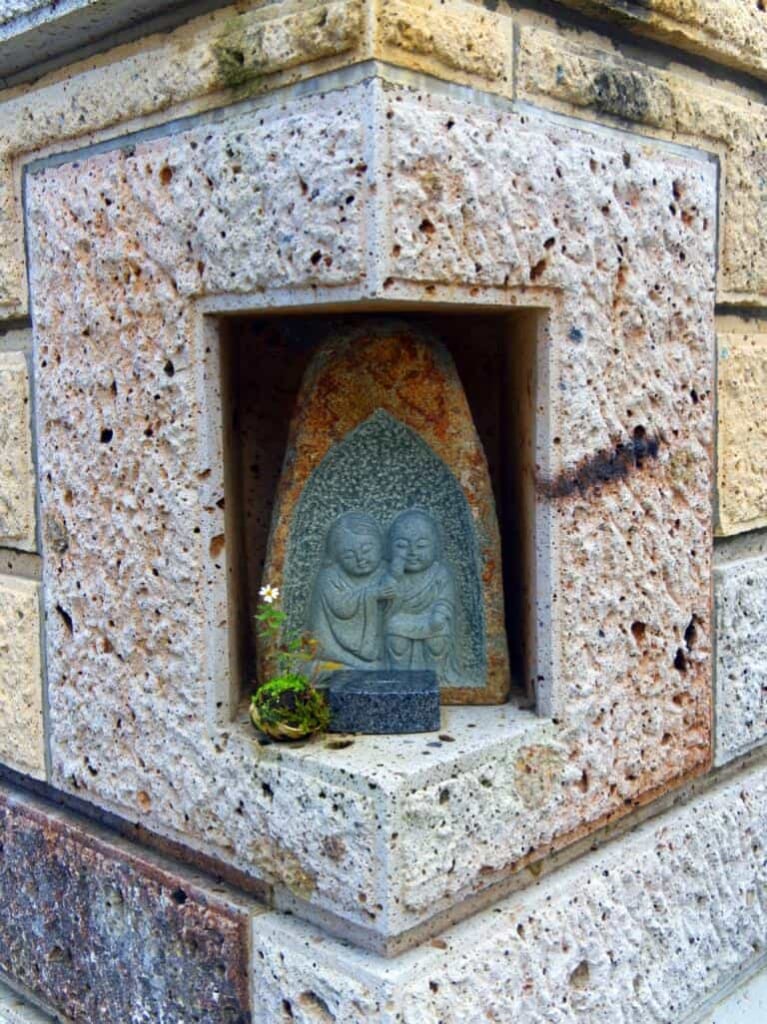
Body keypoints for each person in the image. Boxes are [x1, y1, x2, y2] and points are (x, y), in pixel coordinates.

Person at [309, 512, 395, 670]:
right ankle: (358, 665)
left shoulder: (385, 572)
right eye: (349, 555)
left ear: (380, 546)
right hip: (334, 647)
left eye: (367, 549)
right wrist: (371, 594)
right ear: (336, 557)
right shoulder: (329, 577)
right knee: (316, 666)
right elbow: (340, 607)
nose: (360, 559)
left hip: (380, 648)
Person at [383, 509, 461, 685]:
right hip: (403, 619)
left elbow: (445, 599)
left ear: (435, 547)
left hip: (431, 620)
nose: (412, 552)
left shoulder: (440, 573)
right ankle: (398, 675)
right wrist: (394, 578)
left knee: (438, 640)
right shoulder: (392, 574)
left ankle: (438, 674)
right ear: (390, 548)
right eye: (402, 545)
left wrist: (440, 614)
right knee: (395, 632)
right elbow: (385, 604)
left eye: (421, 546)